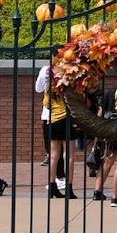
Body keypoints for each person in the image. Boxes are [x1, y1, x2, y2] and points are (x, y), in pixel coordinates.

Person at [36, 54, 75, 200]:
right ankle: (69, 188)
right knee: (69, 155)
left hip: (52, 118)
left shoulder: (47, 72)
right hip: (67, 117)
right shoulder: (70, 71)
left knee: (53, 155)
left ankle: (52, 185)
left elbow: (45, 100)